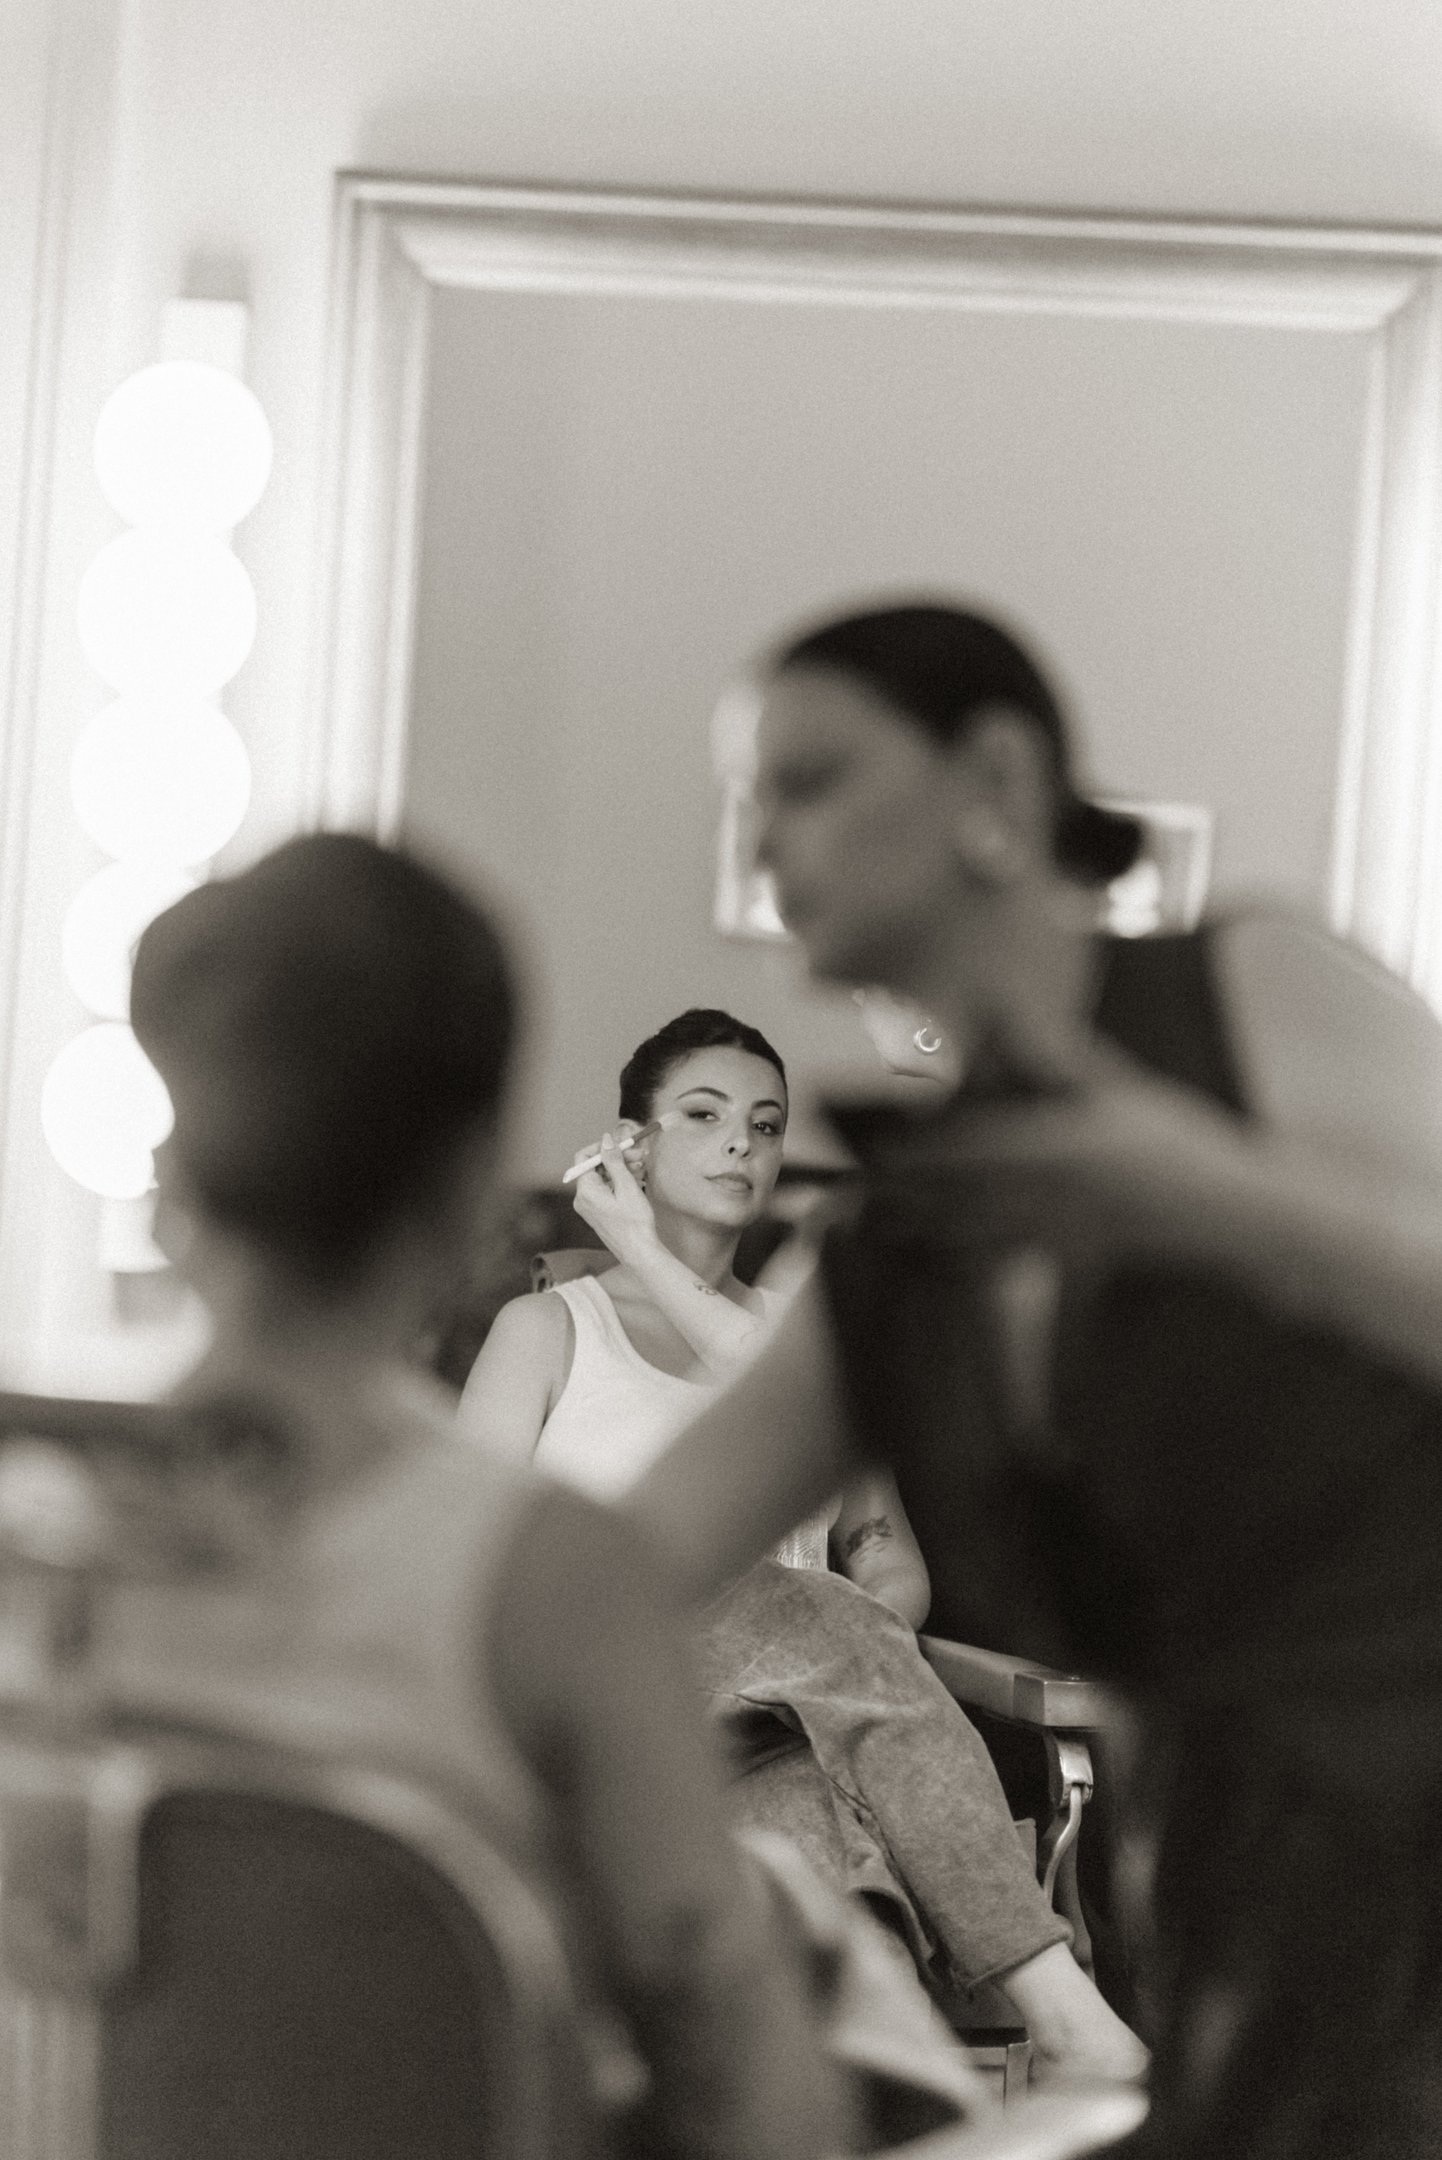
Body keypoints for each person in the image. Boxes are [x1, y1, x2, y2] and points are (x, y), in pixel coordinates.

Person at [622, 602, 1442, 2160]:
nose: (766, 840)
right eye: (750, 801)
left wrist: (1206, 1196)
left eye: (810, 780)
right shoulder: (905, 1241)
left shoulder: (1251, 992)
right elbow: (615, 1557)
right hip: (1227, 1918)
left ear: (992, 777)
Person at [115, 831, 848, 2160]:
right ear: (468, 1200)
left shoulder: (32, 1526)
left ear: (169, 1190)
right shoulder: (554, 1586)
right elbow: (758, 2118)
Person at [461, 1004, 1146, 2084]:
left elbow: (886, 1566)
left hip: (787, 1730)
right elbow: (475, 1560)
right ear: (628, 1143)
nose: (742, 1140)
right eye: (703, 1113)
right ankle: (1064, 2007)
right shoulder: (548, 1330)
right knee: (799, 1614)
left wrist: (840, 1649)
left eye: (767, 1124)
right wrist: (632, 1243)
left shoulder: (806, 1344)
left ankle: (871, 2086)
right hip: (621, 1697)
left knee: (812, 1812)